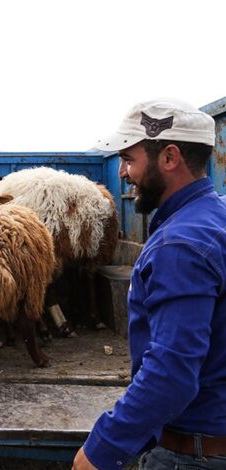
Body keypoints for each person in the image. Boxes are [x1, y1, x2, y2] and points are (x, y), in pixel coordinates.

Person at [73, 99, 226, 469]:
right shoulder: (215, 217)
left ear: (169, 157)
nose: (123, 172)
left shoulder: (180, 245)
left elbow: (171, 373)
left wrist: (102, 448)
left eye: (130, 159)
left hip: (192, 454)